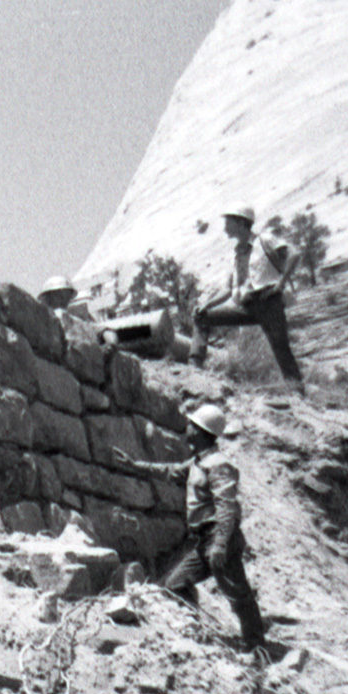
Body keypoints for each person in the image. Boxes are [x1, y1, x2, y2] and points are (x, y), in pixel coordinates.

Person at [113, 403, 265, 649]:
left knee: (237, 594)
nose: (187, 429)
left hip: (218, 537)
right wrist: (133, 465)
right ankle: (193, 628)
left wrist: (221, 544)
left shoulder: (218, 465)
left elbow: (227, 507)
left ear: (203, 432)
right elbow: (170, 471)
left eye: (192, 426)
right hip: (202, 539)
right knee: (174, 585)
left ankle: (256, 645)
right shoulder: (198, 463)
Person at [191, 204, 303, 382]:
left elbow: (294, 254)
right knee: (201, 317)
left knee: (282, 350)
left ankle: (297, 392)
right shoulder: (236, 253)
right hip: (246, 307)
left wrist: (280, 284)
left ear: (241, 223)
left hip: (269, 303)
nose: (225, 227)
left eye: (228, 222)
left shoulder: (265, 239)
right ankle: (194, 368)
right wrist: (207, 305)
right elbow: (228, 289)